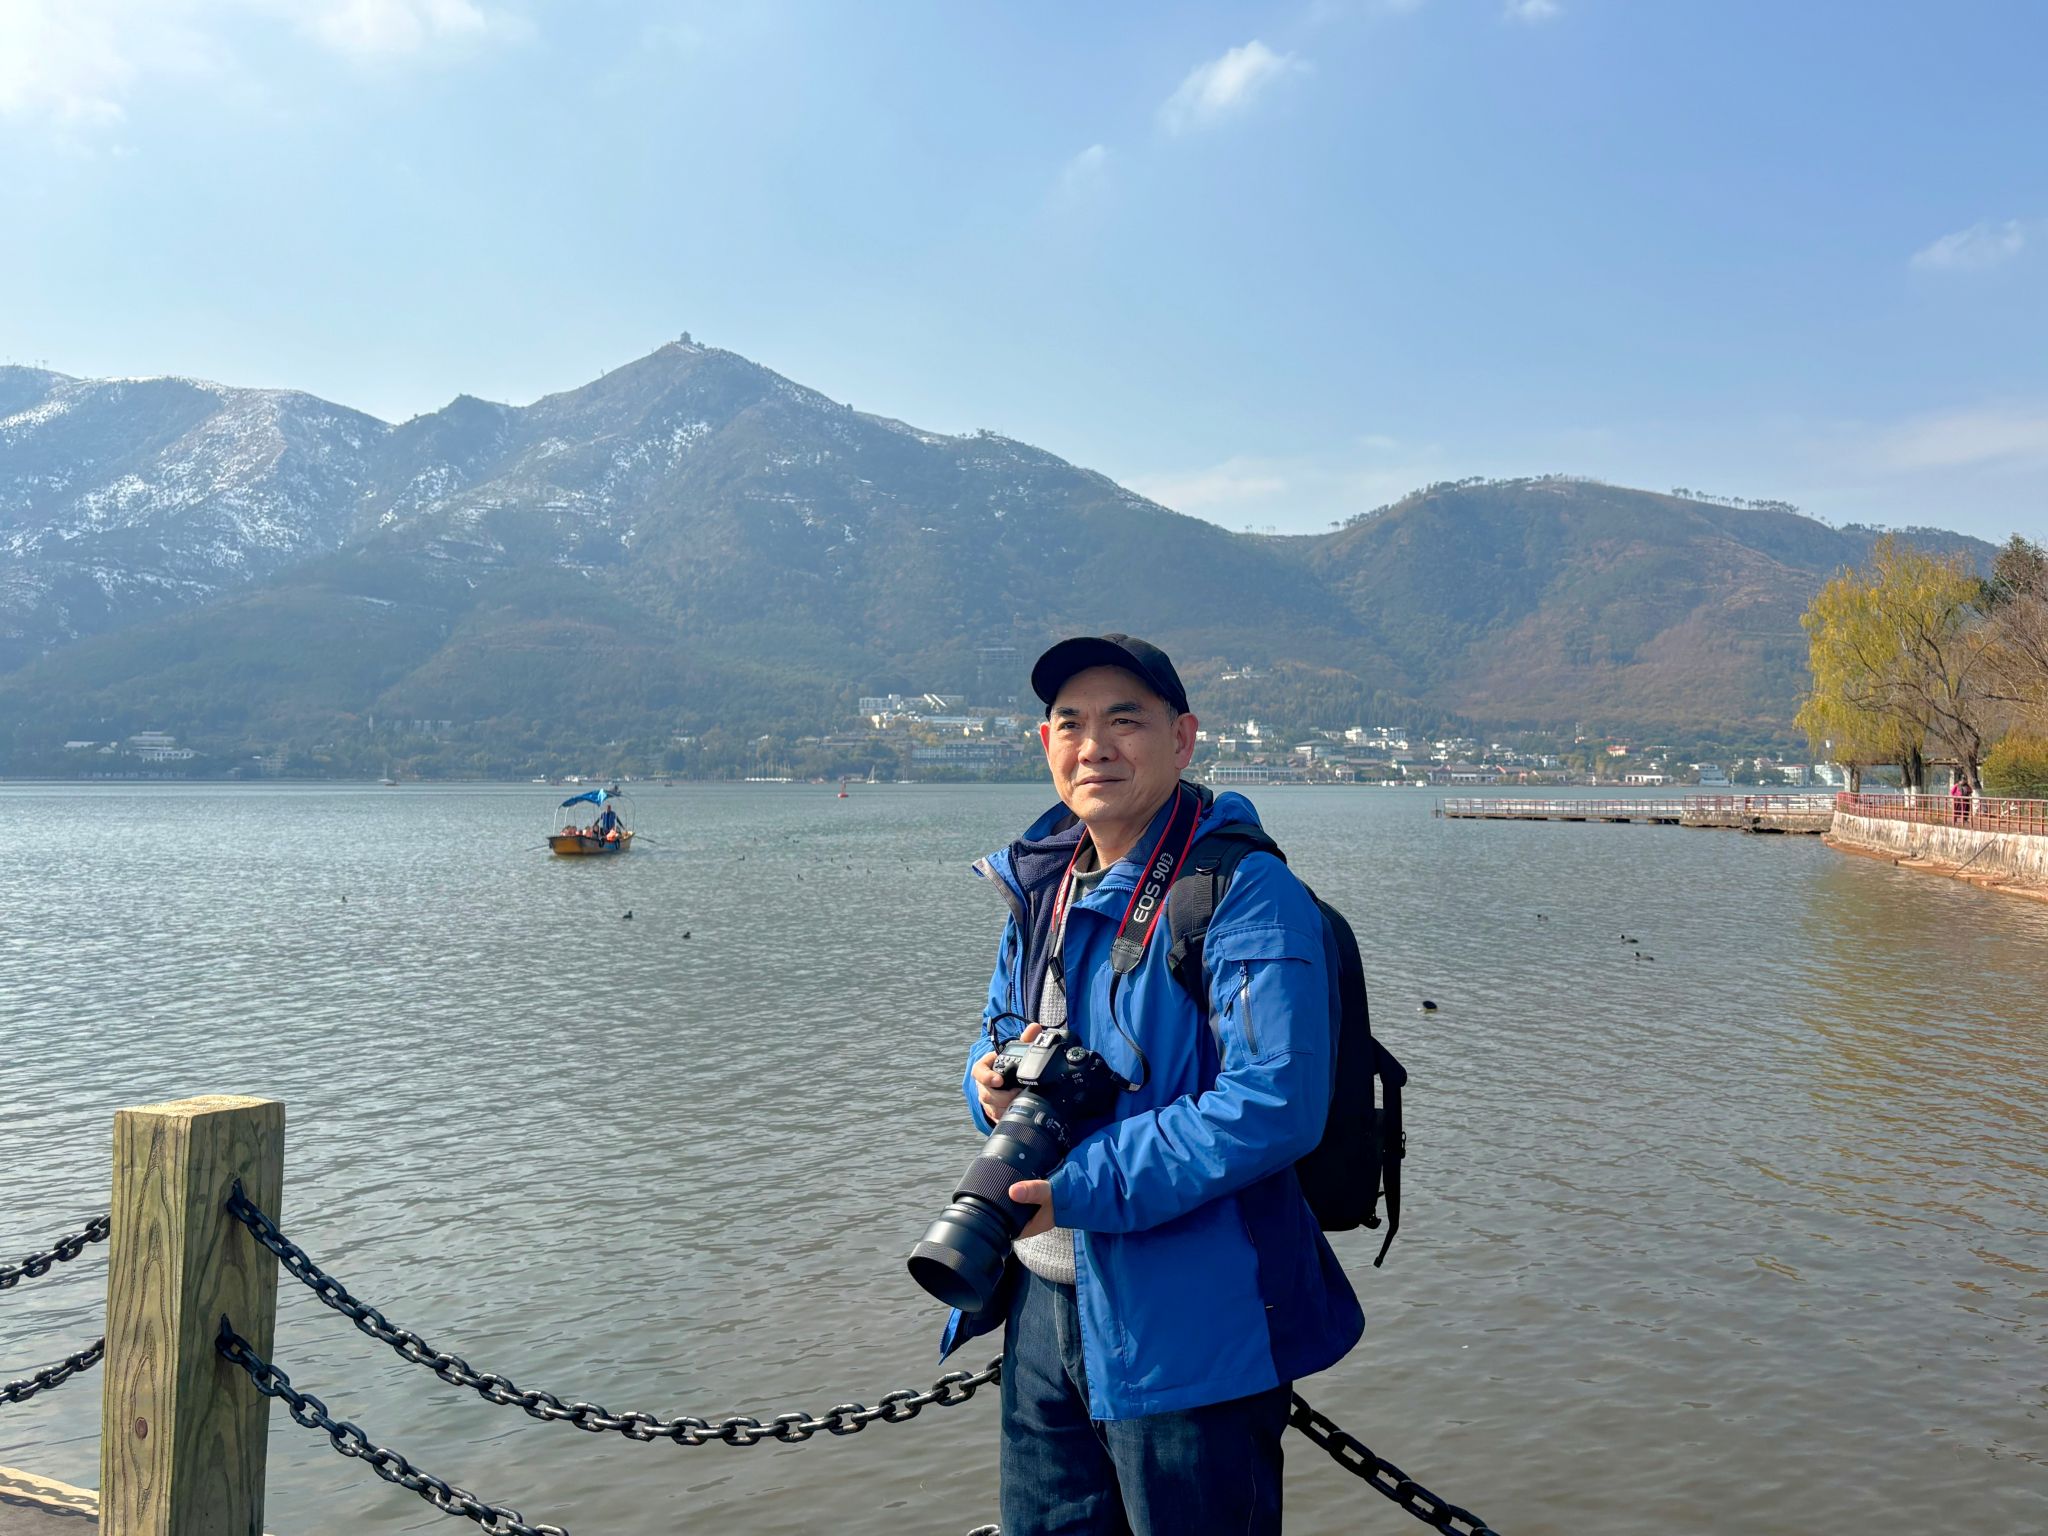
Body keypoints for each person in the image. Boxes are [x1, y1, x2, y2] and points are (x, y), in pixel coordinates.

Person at [943, 633, 1362, 1536]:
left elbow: (1272, 1105)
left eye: (1124, 721)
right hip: (1042, 1299)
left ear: (1183, 738)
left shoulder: (1243, 893)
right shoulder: (1042, 885)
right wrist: (987, 1085)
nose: (1094, 746)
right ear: (1046, 744)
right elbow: (997, 1030)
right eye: (1071, 724)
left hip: (1193, 1323)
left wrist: (1076, 1188)